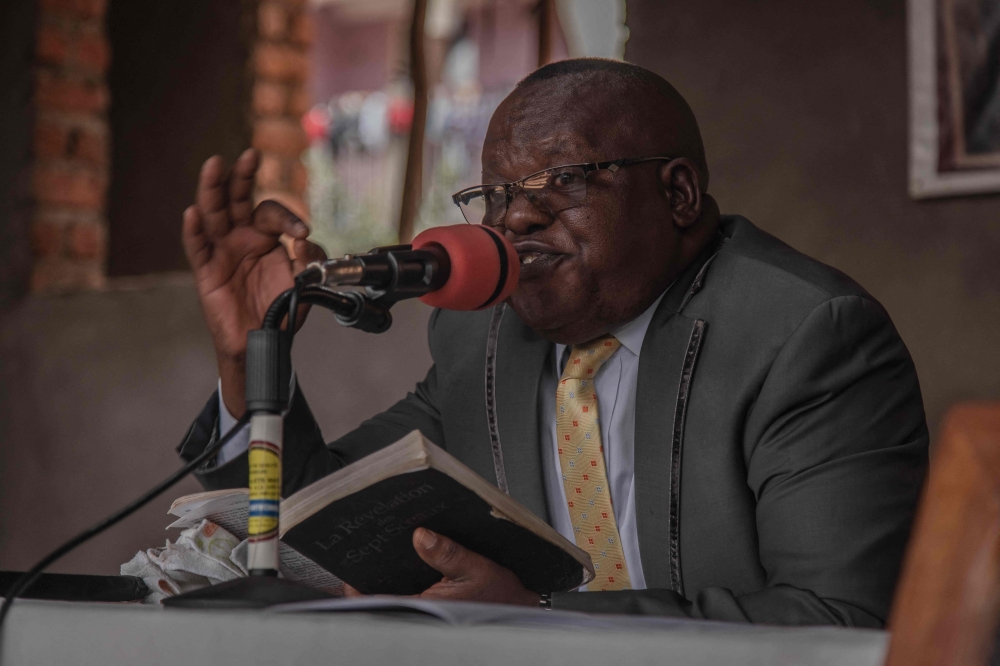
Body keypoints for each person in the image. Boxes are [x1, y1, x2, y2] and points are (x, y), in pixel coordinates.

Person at [177, 59, 928, 626]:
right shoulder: (482, 334)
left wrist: (539, 616)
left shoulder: (804, 334)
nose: (517, 219)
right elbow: (316, 517)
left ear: (677, 194)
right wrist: (249, 350)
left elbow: (839, 621)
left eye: (563, 180)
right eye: (497, 194)